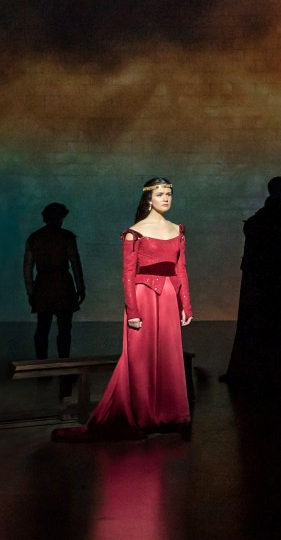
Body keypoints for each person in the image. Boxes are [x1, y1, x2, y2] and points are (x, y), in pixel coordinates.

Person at [53, 177, 193, 442]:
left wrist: (186, 304)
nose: (165, 198)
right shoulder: (134, 232)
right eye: (160, 194)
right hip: (143, 298)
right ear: (148, 199)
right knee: (140, 358)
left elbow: (181, 269)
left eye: (169, 194)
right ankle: (141, 416)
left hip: (167, 298)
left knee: (168, 355)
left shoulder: (178, 230)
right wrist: (134, 311)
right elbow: (128, 275)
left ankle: (169, 415)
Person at [221, 177, 281, 392]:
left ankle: (276, 368)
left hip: (272, 285)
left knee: (277, 325)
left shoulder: (262, 221)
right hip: (279, 284)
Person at [24, 202, 86, 399]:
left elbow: (27, 269)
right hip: (62, 285)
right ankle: (64, 369)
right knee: (64, 330)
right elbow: (75, 263)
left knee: (42, 328)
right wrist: (80, 287)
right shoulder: (67, 237)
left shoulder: (34, 238)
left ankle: (42, 370)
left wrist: (31, 291)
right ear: (61, 217)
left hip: (43, 285)